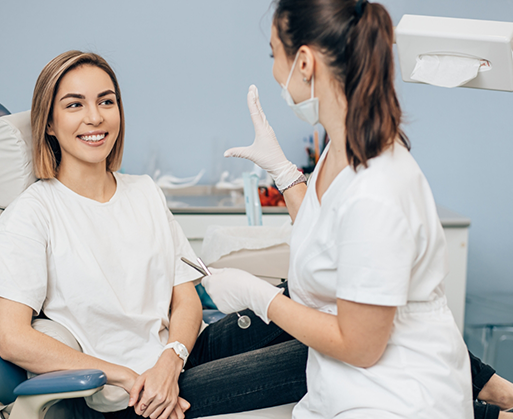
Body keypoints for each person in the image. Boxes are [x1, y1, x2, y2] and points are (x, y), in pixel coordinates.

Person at [0, 50, 308, 419]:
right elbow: (12, 339)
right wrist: (129, 377)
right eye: (74, 105)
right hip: (130, 397)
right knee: (317, 356)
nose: (95, 117)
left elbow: (186, 299)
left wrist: (170, 359)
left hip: (181, 358)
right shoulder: (32, 215)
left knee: (309, 293)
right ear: (49, 123)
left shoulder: (144, 191)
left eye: (106, 101)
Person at [202, 0, 475, 417]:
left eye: (274, 53)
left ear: (305, 62)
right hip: (344, 390)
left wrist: (261, 298)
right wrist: (284, 173)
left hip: (398, 400)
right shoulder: (340, 148)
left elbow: (361, 346)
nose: (275, 70)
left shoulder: (377, 189)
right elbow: (328, 237)